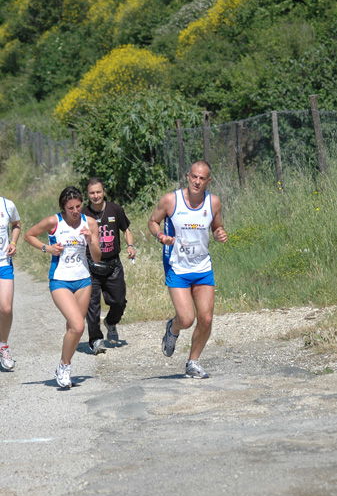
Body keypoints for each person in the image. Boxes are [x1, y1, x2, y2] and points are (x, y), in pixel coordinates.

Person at [148, 160, 228, 379]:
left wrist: (219, 233)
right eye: (194, 177)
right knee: (186, 318)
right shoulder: (171, 200)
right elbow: (153, 222)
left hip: (202, 267)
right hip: (178, 266)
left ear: (208, 181)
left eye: (202, 178)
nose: (197, 182)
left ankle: (193, 362)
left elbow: (217, 226)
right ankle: (172, 329)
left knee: (207, 319)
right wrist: (160, 236)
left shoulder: (213, 203)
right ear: (188, 176)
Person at [24, 186, 101, 388]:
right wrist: (46, 247)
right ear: (63, 208)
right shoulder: (54, 222)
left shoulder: (89, 223)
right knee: (78, 325)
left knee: (73, 329)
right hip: (60, 280)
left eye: (78, 206)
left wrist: (89, 240)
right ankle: (64, 366)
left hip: (83, 280)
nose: (75, 211)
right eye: (70, 208)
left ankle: (64, 366)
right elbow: (28, 235)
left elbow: (97, 256)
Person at [82, 177, 135, 355]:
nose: (95, 196)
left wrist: (130, 246)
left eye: (98, 192)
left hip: (113, 264)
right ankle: (96, 340)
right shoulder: (83, 214)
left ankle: (111, 322)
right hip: (91, 266)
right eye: (92, 193)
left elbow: (126, 229)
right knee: (92, 305)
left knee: (119, 302)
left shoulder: (115, 209)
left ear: (104, 191)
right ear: (87, 195)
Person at [0, 196, 21, 371]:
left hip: (3, 264)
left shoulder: (7, 205)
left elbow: (16, 224)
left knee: (6, 308)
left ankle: (3, 346)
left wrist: (13, 242)